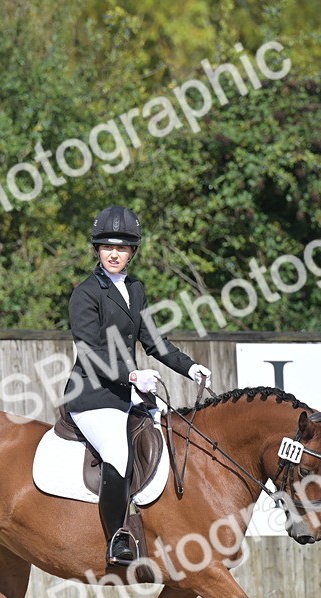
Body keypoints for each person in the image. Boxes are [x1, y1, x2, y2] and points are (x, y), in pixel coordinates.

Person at [63, 206, 212, 566]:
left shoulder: (135, 289)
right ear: (97, 249)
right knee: (118, 452)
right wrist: (131, 376)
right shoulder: (85, 294)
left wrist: (189, 367)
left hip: (126, 396)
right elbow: (90, 351)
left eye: (122, 247)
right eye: (107, 247)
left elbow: (153, 341)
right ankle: (117, 538)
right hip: (92, 396)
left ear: (133, 252)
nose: (114, 253)